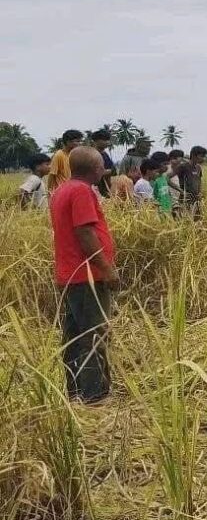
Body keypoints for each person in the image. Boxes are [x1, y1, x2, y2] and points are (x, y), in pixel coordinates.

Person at [49, 146, 117, 403]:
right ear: (96, 169)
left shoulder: (62, 190)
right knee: (94, 335)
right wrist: (106, 269)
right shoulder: (81, 191)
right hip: (86, 275)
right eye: (102, 166)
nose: (104, 170)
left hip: (70, 274)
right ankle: (95, 396)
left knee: (75, 336)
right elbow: (85, 233)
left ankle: (76, 391)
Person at [177, 146, 206, 219]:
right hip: (185, 199)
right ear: (193, 155)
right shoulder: (183, 167)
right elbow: (170, 179)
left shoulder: (198, 168)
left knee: (197, 219)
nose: (203, 158)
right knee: (185, 219)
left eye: (204, 156)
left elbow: (199, 180)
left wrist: (200, 192)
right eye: (201, 156)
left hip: (196, 199)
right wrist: (182, 191)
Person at [90, 128, 116, 198]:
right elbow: (92, 173)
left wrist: (107, 171)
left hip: (106, 188)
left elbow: (114, 170)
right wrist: (107, 171)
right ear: (96, 141)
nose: (107, 142)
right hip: (94, 188)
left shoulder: (105, 154)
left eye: (108, 140)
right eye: (104, 140)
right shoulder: (91, 154)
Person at [166, 149, 185, 214]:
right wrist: (178, 189)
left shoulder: (182, 169)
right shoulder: (165, 169)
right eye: (175, 159)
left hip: (180, 198)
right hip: (169, 199)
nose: (179, 163)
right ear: (171, 159)